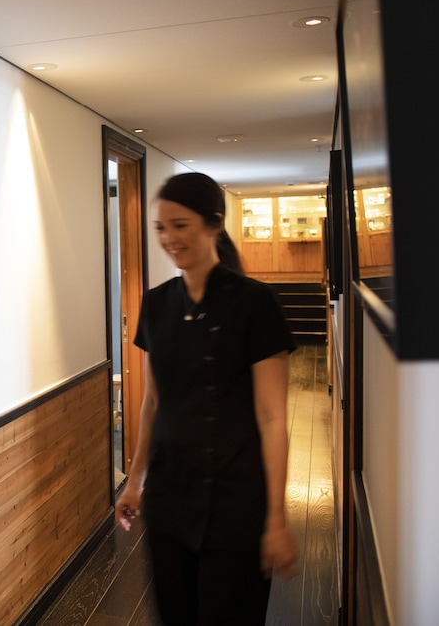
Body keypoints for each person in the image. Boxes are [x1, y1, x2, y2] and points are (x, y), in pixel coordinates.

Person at [114, 172, 298, 625]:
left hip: (236, 501)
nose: (168, 238)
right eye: (161, 227)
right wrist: (135, 482)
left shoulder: (256, 304)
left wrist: (275, 518)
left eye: (181, 225)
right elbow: (152, 403)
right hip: (169, 499)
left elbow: (272, 416)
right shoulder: (156, 305)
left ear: (214, 224)